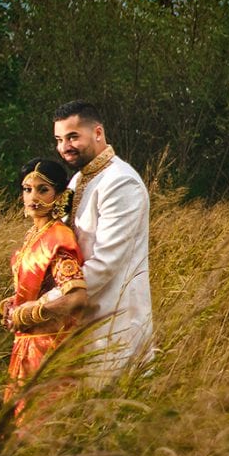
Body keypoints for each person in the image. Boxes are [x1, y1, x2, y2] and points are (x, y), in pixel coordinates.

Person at [52, 100, 154, 381]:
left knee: (114, 415)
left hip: (115, 316)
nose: (64, 147)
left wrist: (45, 303)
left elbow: (106, 264)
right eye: (59, 140)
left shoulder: (121, 182)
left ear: (98, 133)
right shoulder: (77, 181)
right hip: (81, 315)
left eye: (73, 137)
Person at [0, 158, 88, 416]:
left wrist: (28, 314)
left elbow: (76, 297)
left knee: (37, 429)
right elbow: (39, 289)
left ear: (59, 195)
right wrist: (11, 306)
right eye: (27, 190)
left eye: (42, 189)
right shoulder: (34, 235)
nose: (33, 197)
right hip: (26, 344)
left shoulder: (58, 237)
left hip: (47, 347)